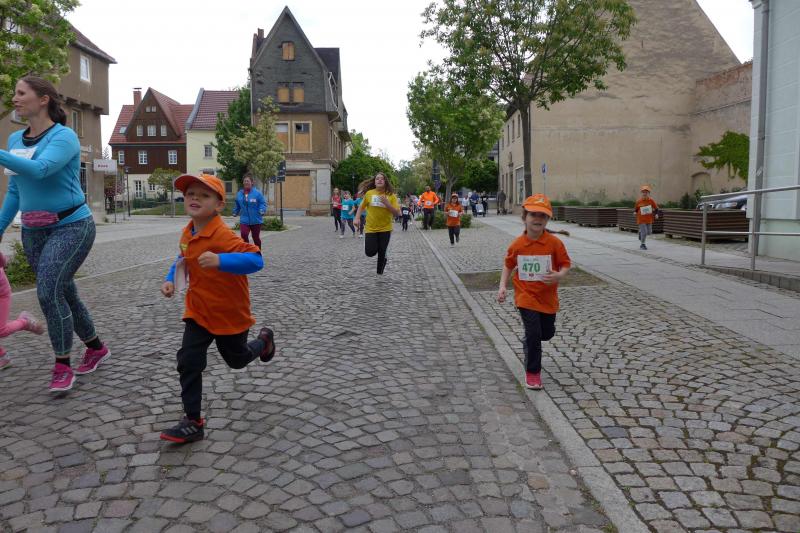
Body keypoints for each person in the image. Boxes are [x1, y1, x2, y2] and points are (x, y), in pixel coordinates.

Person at [0, 76, 110, 392]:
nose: (15, 99)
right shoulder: (15, 140)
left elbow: (41, 169)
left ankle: (62, 366)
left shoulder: (64, 137)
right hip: (33, 231)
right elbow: (15, 191)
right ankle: (96, 347)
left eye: (21, 93)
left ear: (43, 99)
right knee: (64, 292)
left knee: (48, 291)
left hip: (72, 226)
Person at [159, 173, 275, 443]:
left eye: (204, 195)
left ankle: (264, 341)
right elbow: (182, 258)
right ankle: (193, 421)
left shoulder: (222, 235)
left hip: (229, 313)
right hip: (198, 311)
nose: (195, 198)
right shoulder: (188, 231)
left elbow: (256, 260)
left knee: (237, 360)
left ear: (219, 205)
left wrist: (221, 260)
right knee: (188, 361)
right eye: (190, 194)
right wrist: (170, 280)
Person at [497, 194, 571, 390]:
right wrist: (502, 286)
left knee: (546, 333)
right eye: (533, 214)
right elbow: (508, 265)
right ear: (524, 217)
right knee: (534, 333)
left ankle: (529, 341)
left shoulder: (555, 243)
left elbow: (565, 264)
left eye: (542, 215)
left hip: (547, 298)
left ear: (547, 220)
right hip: (526, 296)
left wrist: (559, 275)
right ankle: (533, 373)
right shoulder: (517, 245)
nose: (538, 219)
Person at [0, 251, 45, 370]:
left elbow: (3, 262)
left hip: (1, 294)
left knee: (1, 330)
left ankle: (24, 321)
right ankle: (3, 357)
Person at [354, 172, 400, 275]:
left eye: (382, 179)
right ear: (374, 182)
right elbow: (361, 207)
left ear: (385, 182)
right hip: (371, 228)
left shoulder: (391, 195)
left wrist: (387, 203)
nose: (379, 180)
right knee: (370, 252)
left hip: (385, 228)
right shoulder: (369, 193)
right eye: (377, 179)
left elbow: (397, 213)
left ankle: (379, 273)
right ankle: (380, 250)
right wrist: (356, 218)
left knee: (382, 251)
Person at [232, 174, 267, 250]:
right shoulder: (240, 194)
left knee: (256, 238)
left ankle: (258, 252)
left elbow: (262, 203)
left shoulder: (257, 193)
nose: (246, 182)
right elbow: (237, 204)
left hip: (256, 220)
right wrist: (235, 211)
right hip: (244, 220)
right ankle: (247, 251)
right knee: (244, 235)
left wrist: (262, 210)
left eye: (248, 181)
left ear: (252, 182)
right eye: (245, 181)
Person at [634, 185, 659, 250]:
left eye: (646, 192)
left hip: (649, 219)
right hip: (641, 219)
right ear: (641, 193)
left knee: (649, 232)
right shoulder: (639, 201)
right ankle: (642, 244)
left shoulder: (651, 201)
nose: (645, 193)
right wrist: (635, 212)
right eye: (643, 192)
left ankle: (640, 232)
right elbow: (636, 209)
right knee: (644, 232)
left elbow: (656, 208)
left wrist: (656, 214)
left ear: (649, 193)